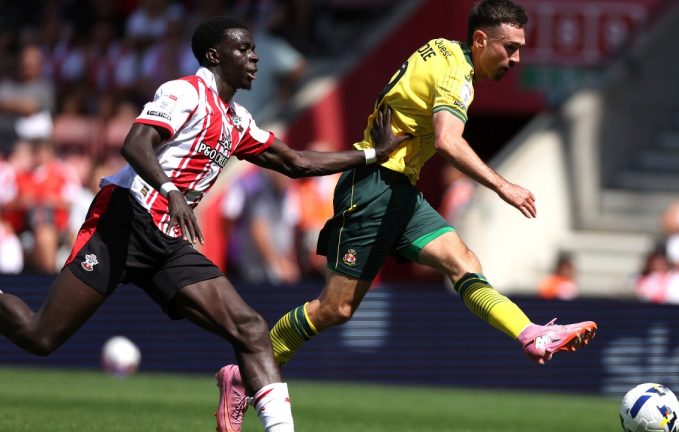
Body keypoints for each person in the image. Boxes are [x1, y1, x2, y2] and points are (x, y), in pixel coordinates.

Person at [0, 16, 407, 432]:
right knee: (40, 337)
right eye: (244, 49)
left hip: (170, 240)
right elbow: (135, 144)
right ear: (215, 56)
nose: (255, 56)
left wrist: (372, 155)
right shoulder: (184, 93)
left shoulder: (236, 120)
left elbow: (295, 161)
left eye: (253, 49)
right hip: (124, 220)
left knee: (249, 328)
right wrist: (171, 190)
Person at [218, 2, 597, 430]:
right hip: (373, 187)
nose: (516, 59)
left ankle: (530, 334)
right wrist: (503, 185)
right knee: (335, 309)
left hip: (399, 190)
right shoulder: (458, 76)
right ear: (480, 40)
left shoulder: (442, 49)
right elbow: (448, 141)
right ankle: (244, 374)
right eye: (509, 48)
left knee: (464, 261)